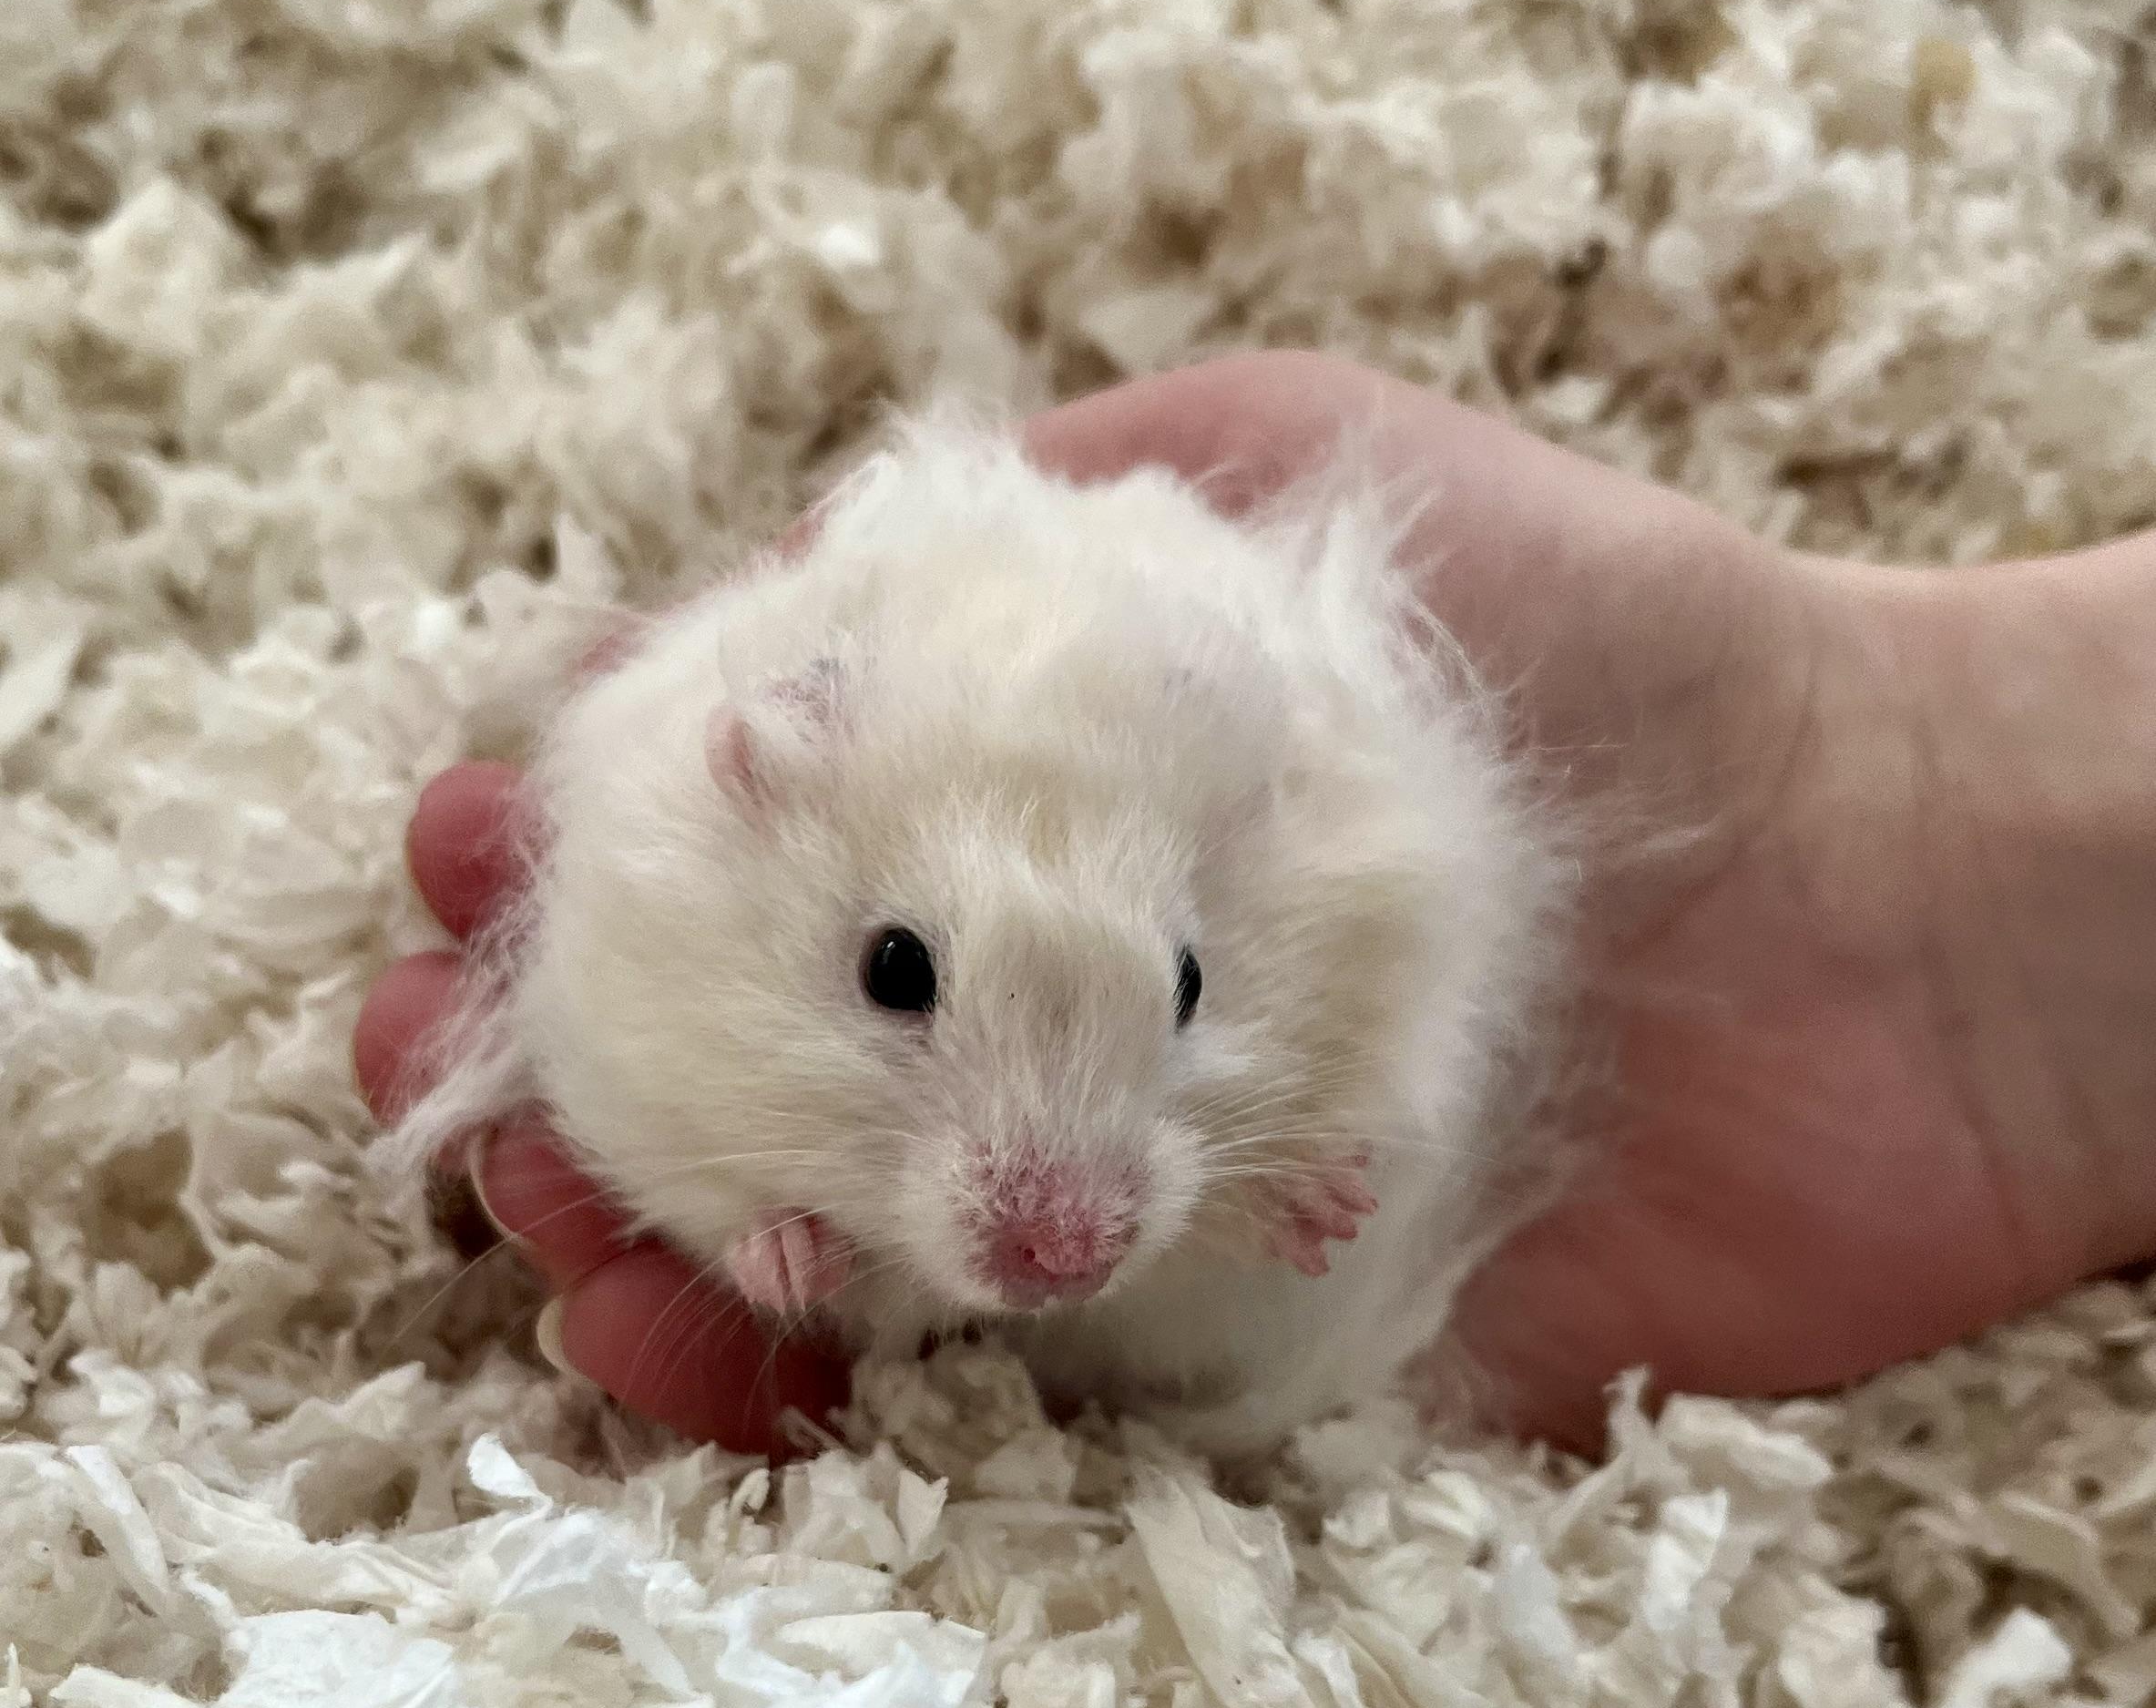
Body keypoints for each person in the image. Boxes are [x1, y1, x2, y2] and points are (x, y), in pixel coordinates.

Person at [353, 352, 2156, 1454]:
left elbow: (1393, 1021)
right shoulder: (712, 795)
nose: (1055, 1221)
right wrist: (760, 1233)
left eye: (1184, 986)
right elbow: (617, 1054)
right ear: (750, 777)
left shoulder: (1312, 806)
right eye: (899, 974)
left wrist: (1299, 1174)